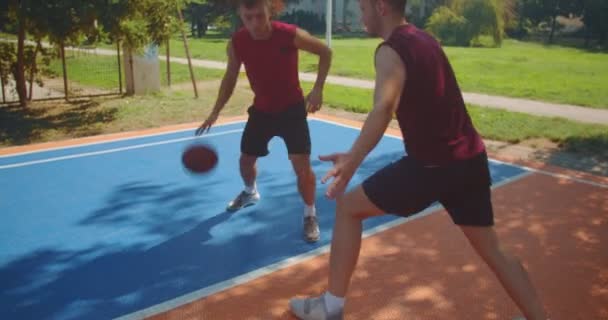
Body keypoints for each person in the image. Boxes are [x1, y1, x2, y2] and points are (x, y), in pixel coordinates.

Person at [289, 0, 549, 319]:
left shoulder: (390, 50)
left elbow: (383, 107)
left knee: (348, 208)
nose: (361, 15)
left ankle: (330, 307)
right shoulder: (425, 39)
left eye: (363, 8)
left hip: (431, 167)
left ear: (380, 6)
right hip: (469, 160)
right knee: (494, 250)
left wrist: (353, 161)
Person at [196, 0, 332, 243]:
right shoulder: (238, 42)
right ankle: (250, 192)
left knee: (301, 166)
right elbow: (230, 77)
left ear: (269, 11)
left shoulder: (289, 35)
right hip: (262, 111)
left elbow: (325, 51)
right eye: (249, 17)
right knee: (246, 161)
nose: (255, 23)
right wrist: (216, 110)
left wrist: (318, 88)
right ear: (241, 14)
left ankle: (310, 213)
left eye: (260, 16)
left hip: (292, 110)